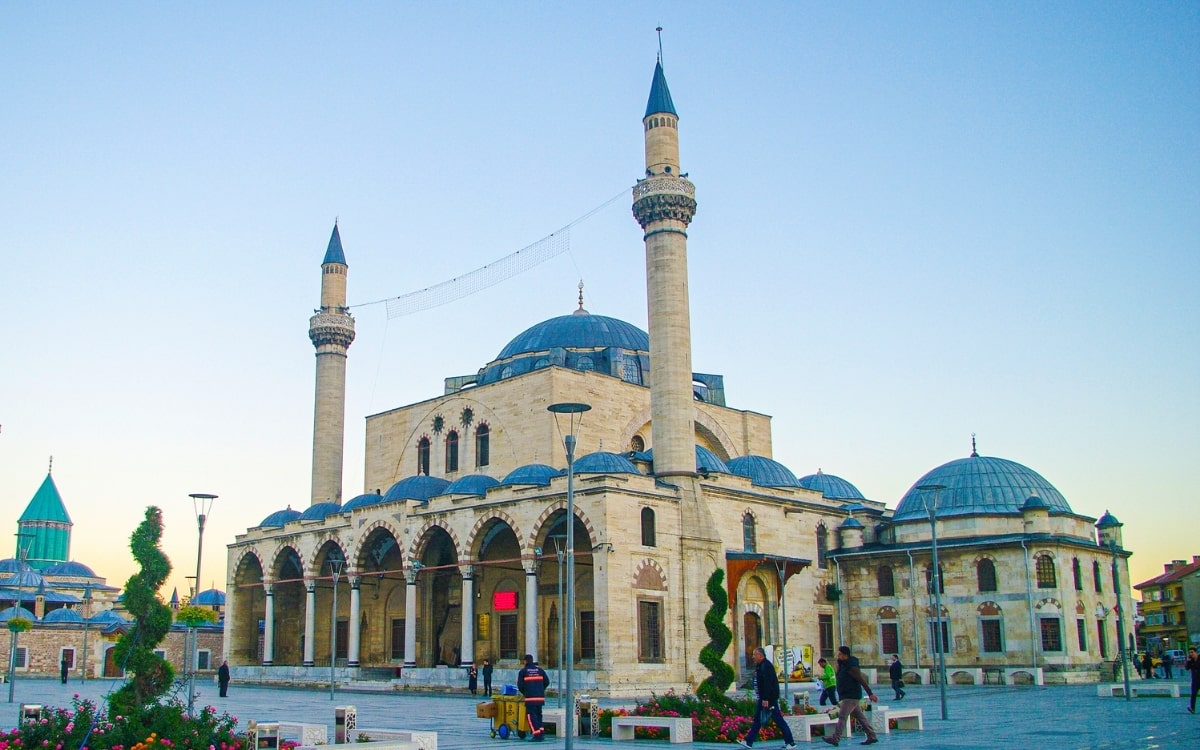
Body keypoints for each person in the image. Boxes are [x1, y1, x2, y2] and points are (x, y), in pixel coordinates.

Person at [735, 647, 797, 749]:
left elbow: (768, 684)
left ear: (760, 655)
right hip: (763, 699)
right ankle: (748, 742)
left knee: (778, 719)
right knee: (758, 720)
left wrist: (766, 699)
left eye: (755, 655)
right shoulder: (760, 666)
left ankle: (790, 742)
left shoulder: (766, 666)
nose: (753, 657)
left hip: (768, 700)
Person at [822, 645, 879, 747]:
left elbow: (861, 680)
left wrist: (870, 694)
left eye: (839, 654)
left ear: (845, 655)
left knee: (842, 716)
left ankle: (835, 738)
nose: (838, 656)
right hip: (847, 695)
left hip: (851, 695)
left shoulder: (851, 667)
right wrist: (838, 665)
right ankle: (872, 736)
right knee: (860, 717)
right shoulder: (843, 665)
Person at [517, 654, 548, 742]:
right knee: (539, 715)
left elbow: (520, 685)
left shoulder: (523, 671)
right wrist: (540, 690)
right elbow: (547, 681)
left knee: (531, 716)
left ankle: (536, 734)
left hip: (530, 698)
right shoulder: (540, 670)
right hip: (540, 698)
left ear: (525, 661)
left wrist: (526, 692)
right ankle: (541, 733)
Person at [1185, 646, 1199, 714]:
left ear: (1196, 652)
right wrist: (1188, 661)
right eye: (1189, 653)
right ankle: (1192, 708)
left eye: (1192, 652)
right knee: (1193, 694)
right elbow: (1187, 668)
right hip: (1195, 680)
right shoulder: (1191, 661)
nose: (1191, 654)